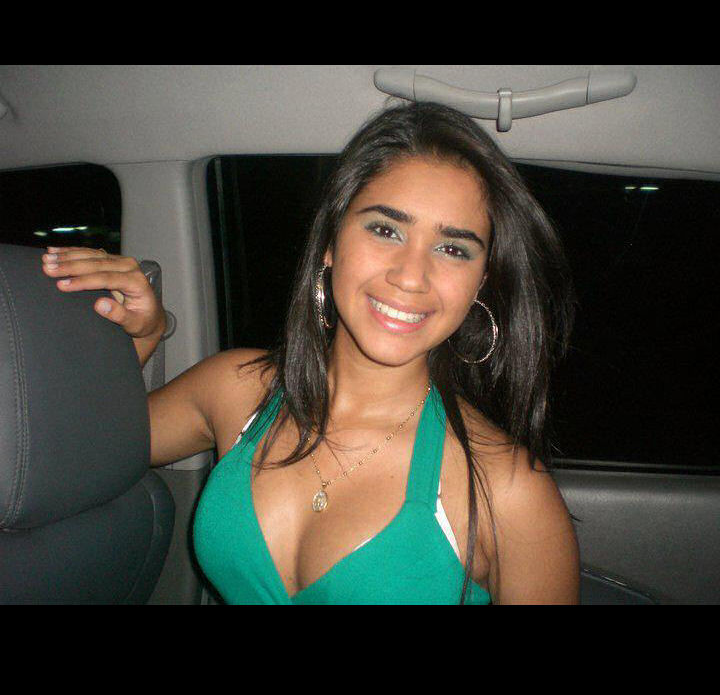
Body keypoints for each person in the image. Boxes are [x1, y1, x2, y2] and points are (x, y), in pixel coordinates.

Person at [41, 102, 580, 605]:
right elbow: (77, 451)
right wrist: (143, 337)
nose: (411, 276)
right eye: (386, 229)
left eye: (452, 248)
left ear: (480, 281)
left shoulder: (510, 492)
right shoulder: (235, 389)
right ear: (330, 242)